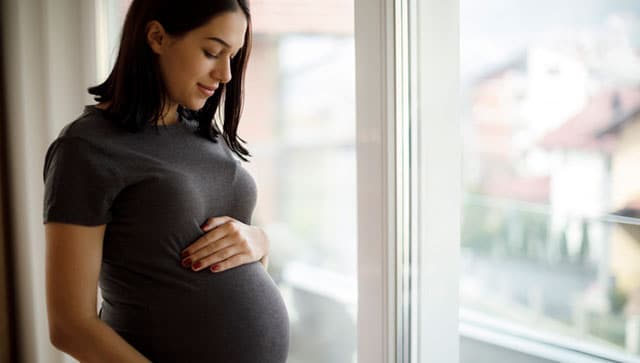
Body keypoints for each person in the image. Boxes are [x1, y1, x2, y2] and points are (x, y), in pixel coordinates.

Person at [42, 0, 290, 361]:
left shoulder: (206, 135)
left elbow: (231, 263)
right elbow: (69, 325)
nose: (226, 74)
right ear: (157, 37)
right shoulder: (85, 149)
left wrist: (259, 242)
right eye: (212, 52)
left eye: (232, 57)